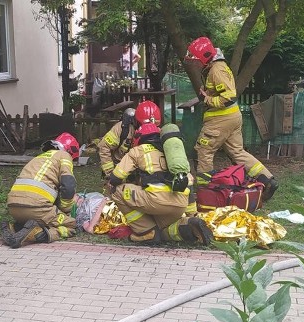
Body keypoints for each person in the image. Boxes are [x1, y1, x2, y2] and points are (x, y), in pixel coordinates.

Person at [184, 36, 279, 201]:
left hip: (220, 120)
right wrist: (207, 93)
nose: (195, 62)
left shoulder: (216, 70)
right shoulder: (217, 67)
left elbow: (229, 97)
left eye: (196, 58)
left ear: (204, 57)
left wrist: (207, 99)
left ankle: (205, 192)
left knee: (204, 151)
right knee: (237, 152)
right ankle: (267, 180)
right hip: (231, 118)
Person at [106, 123, 212, 245]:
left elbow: (117, 176)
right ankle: (187, 224)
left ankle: (145, 231)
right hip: (179, 204)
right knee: (163, 229)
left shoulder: (138, 150)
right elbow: (188, 183)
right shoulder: (174, 155)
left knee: (117, 191)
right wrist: (192, 214)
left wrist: (112, 182)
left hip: (155, 200)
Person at [1, 133, 81, 248]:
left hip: (14, 208)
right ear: (70, 151)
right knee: (71, 225)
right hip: (37, 208)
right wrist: (66, 209)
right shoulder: (64, 155)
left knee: (34, 219)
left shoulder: (39, 158)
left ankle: (14, 228)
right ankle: (39, 234)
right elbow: (68, 185)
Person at [97, 101, 162, 178]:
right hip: (118, 169)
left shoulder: (159, 132)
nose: (149, 129)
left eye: (154, 126)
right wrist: (111, 173)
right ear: (137, 121)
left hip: (141, 173)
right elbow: (104, 147)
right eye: (145, 126)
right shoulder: (122, 129)